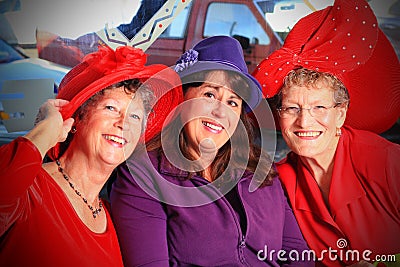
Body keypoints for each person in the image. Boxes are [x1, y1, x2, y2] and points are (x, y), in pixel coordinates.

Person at [110, 36, 313, 266]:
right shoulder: (143, 176)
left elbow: (298, 255)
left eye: (233, 102)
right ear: (181, 96)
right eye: (209, 95)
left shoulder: (261, 171)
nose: (220, 112)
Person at [0, 45, 183, 266]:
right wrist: (47, 129)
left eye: (135, 116)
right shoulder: (30, 186)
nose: (123, 123)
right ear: (78, 118)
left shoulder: (109, 215)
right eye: (111, 108)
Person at [253, 0, 400, 266]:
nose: (304, 121)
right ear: (278, 115)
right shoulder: (280, 180)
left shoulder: (388, 163)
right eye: (291, 108)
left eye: (319, 107)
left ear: (341, 113)